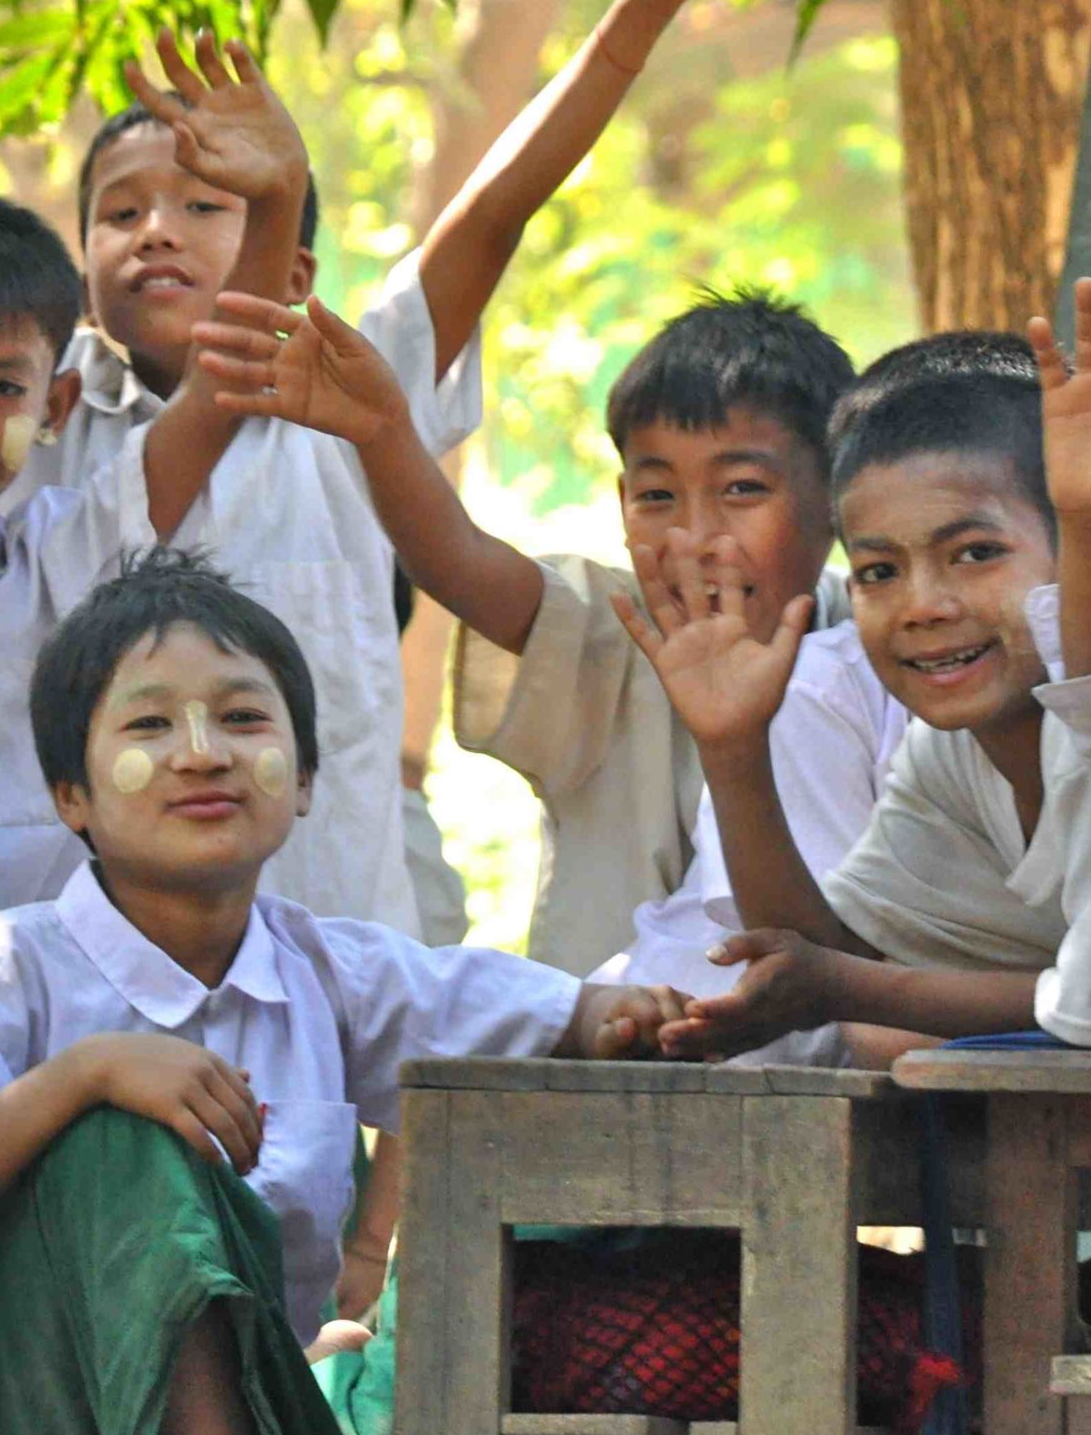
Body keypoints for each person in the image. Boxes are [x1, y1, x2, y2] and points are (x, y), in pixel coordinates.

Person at [0, 0, 724, 937]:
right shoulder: (27, 420)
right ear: (80, 270)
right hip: (86, 945)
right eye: (121, 210)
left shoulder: (353, 386)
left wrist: (641, 7)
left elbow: (494, 212)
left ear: (289, 260)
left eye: (209, 204)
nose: (158, 229)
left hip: (327, 930)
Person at [0, 550, 682, 1435]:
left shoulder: (331, 972)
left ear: (303, 777)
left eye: (241, 718)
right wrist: (81, 1078)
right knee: (123, 1141)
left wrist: (616, 1014)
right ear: (72, 797)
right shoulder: (5, 970)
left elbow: (526, 1014)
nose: (203, 753)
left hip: (243, 1414)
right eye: (151, 723)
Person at [629, 264, 1091, 1061]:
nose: (923, 605)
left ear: (1074, 545)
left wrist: (840, 988)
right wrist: (734, 751)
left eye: (975, 553)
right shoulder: (947, 754)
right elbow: (830, 954)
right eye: (879, 571)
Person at [194, 284, 861, 977]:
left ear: (837, 499)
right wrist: (383, 431)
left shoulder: (883, 655)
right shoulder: (616, 631)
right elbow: (460, 563)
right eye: (657, 496)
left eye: (743, 489)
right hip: (611, 1066)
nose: (695, 539)